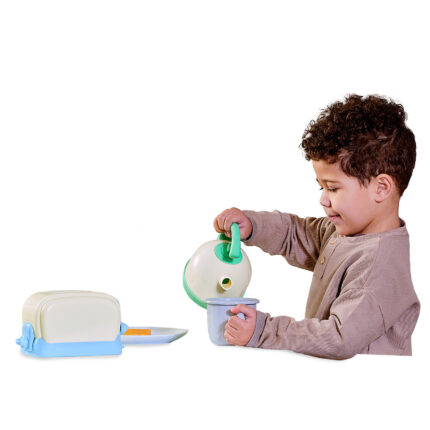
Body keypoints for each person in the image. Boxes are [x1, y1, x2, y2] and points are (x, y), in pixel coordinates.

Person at [214, 94, 420, 360]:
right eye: (320, 186)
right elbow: (295, 233)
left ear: (380, 188)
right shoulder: (345, 232)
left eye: (332, 188)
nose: (323, 199)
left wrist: (264, 330)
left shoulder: (378, 266)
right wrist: (252, 225)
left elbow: (338, 337)